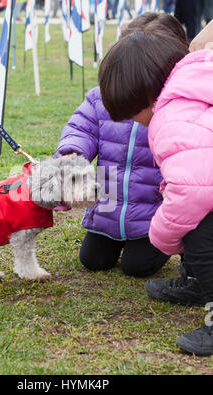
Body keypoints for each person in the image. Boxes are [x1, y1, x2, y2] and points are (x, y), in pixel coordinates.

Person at [98, 16, 213, 355]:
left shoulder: (169, 117)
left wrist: (161, 236)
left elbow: (193, 191)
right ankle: (195, 284)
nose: (136, 124)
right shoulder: (194, 81)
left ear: (149, 96)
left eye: (133, 115)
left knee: (197, 231)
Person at [55, 13, 190, 278]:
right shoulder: (102, 97)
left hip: (149, 210)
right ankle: (111, 237)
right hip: (108, 204)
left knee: (136, 266)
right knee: (93, 260)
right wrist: (73, 152)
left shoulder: (170, 105)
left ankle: (169, 245)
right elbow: (81, 127)